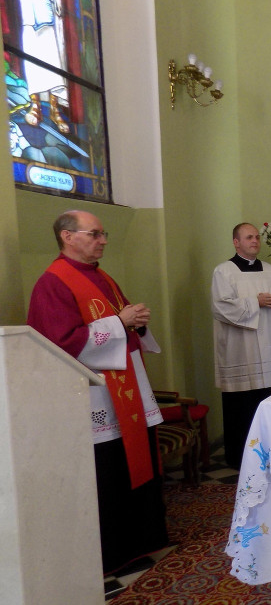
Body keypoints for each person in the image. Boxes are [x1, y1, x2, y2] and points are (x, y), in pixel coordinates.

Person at [27, 210, 167, 574]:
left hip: (125, 387)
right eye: (95, 234)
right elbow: (59, 343)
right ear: (67, 237)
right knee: (107, 469)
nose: (103, 240)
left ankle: (142, 539)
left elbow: (117, 323)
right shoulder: (53, 283)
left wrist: (134, 321)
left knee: (131, 462)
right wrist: (121, 322)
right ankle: (111, 551)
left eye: (104, 234)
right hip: (93, 394)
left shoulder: (101, 275)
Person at [212, 223, 271, 469]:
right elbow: (220, 307)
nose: (255, 241)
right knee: (242, 406)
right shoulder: (223, 272)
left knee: (269, 401)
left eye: (257, 237)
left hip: (269, 345)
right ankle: (240, 458)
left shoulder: (270, 271)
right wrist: (255, 302)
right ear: (236, 242)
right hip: (239, 349)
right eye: (249, 237)